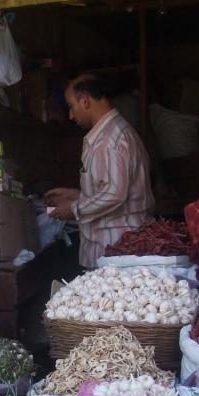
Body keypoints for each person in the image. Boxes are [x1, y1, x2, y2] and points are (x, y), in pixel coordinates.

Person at [45, 73, 154, 267]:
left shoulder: (109, 140)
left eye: (71, 106)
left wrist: (73, 209)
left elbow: (114, 194)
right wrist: (74, 195)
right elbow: (111, 188)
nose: (70, 115)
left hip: (116, 247)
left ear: (85, 101)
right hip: (116, 246)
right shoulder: (111, 133)